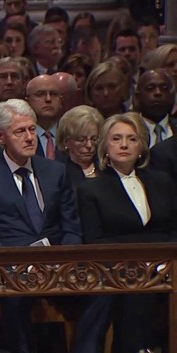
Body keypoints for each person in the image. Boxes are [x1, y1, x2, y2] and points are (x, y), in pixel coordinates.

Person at [0, 99, 83, 353]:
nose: (30, 137)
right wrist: (22, 269)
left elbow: (71, 227)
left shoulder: (56, 171)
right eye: (20, 131)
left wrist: (62, 265)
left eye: (32, 129)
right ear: (0, 137)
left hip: (56, 268)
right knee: (15, 299)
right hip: (11, 272)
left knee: (101, 294)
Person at [77, 113, 177, 353]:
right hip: (118, 269)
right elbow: (95, 240)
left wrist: (163, 260)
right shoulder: (91, 189)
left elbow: (173, 227)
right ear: (105, 146)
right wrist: (142, 257)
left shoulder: (161, 181)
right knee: (136, 291)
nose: (124, 145)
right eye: (117, 139)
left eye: (132, 139)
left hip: (166, 266)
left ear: (141, 146)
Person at [55, 105, 104, 189]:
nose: (89, 145)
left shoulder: (106, 168)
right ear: (66, 142)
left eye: (94, 139)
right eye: (81, 140)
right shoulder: (58, 174)